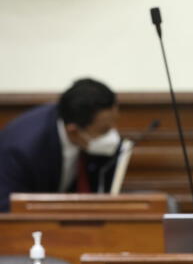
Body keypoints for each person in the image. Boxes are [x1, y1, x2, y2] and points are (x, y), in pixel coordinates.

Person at [0, 78, 122, 212]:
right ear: (73, 130)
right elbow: (7, 209)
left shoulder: (76, 120)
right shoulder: (22, 150)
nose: (112, 135)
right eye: (104, 130)